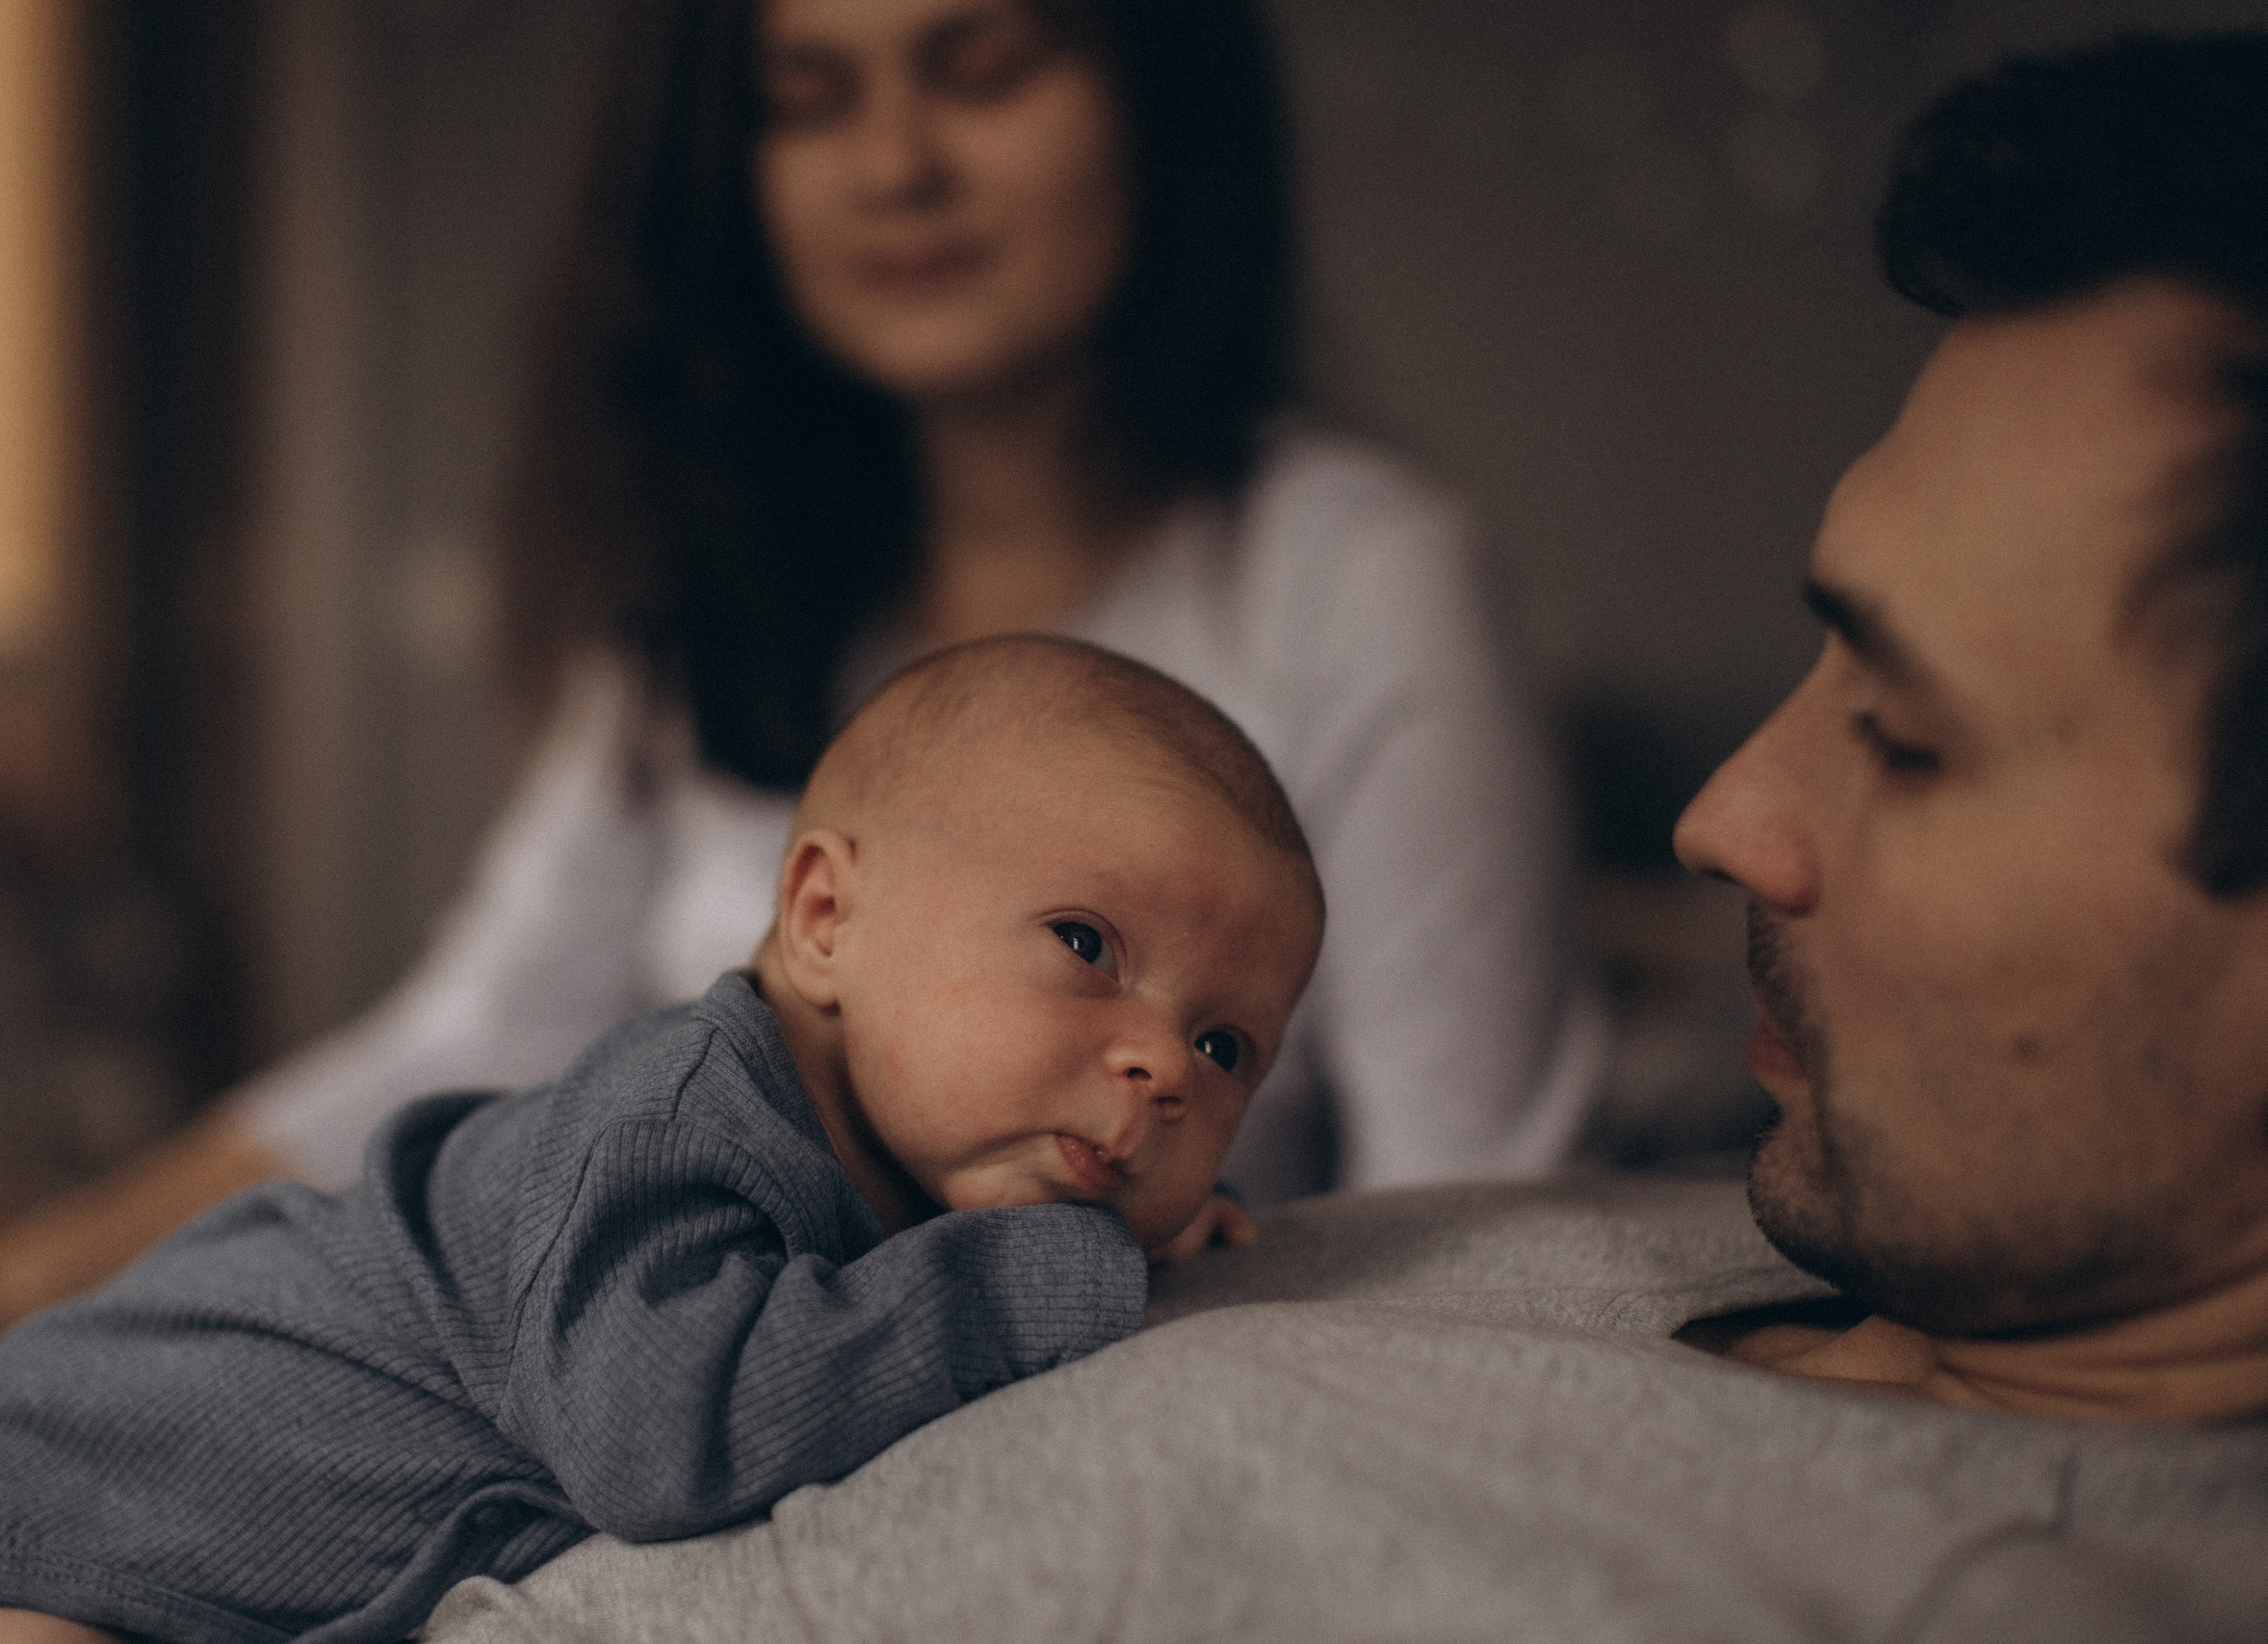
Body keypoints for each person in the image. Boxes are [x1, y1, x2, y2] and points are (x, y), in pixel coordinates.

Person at [384, 33, 2265, 1643]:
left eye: (1907, 735)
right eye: (806, 97)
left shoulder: (1926, 1580)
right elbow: (467, 1030)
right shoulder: (1769, 1224)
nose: (1721, 820)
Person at [0, 0, 1601, 1530]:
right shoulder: (722, 581)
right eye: (806, 99)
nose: (895, 164)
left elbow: (1466, 1218)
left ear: (1153, 94)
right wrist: (15, 1284)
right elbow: (466, 1041)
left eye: (979, 69)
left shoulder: (1357, 582)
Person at [0, 638, 1325, 1644]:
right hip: (83, 1487)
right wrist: (1039, 1275)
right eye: (1086, 944)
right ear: (827, 919)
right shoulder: (678, 1115)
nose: (1161, 1070)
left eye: (1225, 1046)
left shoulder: (899, 1154)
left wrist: (1113, 1220)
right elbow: (661, 1439)